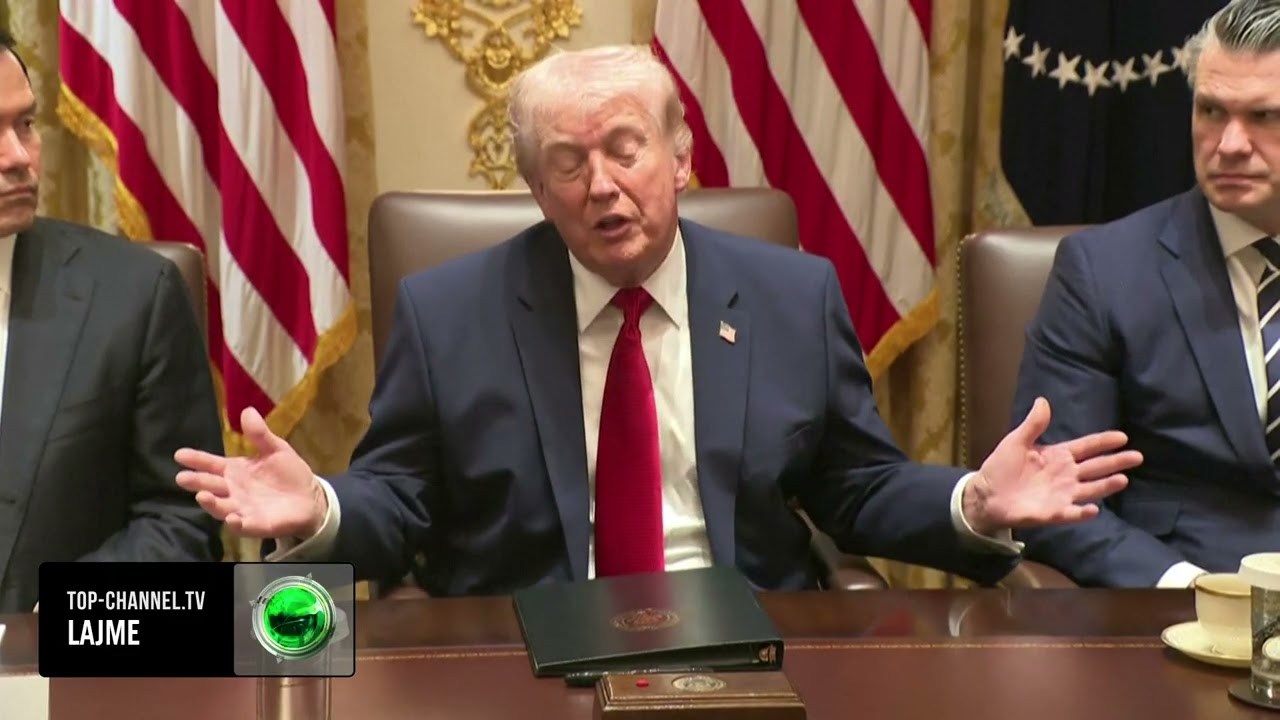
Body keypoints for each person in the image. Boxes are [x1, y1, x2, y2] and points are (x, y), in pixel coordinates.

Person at [175, 44, 1139, 595]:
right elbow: (401, 499)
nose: (601, 185)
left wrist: (972, 502)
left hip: (743, 637)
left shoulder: (792, 296)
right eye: (568, 163)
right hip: (526, 643)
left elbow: (855, 486)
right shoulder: (449, 311)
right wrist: (323, 511)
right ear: (536, 191)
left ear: (680, 159)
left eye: (625, 149)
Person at [1010, 0, 1280, 588]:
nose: (1230, 144)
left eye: (1264, 116)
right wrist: (1191, 590)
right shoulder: (1102, 273)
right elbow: (1055, 496)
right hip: (1187, 601)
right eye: (1211, 111)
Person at [0, 34, 224, 613]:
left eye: (25, 125)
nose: (19, 157)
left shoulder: (133, 297)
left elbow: (182, 522)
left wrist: (69, 611)